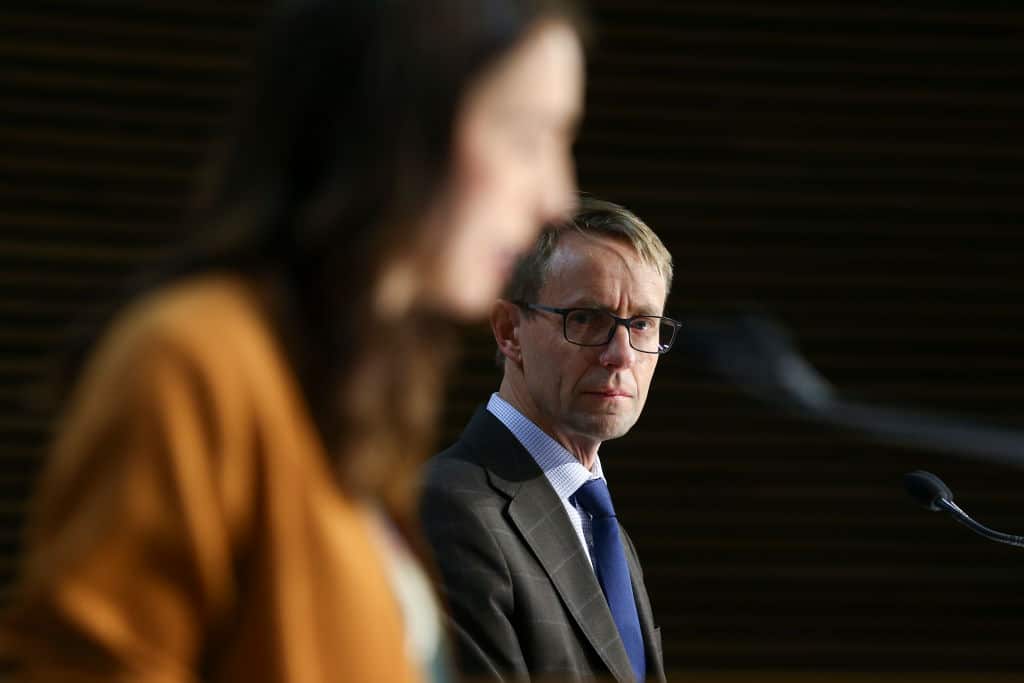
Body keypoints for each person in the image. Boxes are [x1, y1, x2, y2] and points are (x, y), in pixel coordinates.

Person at [0, 1, 586, 681]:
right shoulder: (194, 360)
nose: (556, 198)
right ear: (395, 122)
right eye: (525, 135)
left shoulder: (351, 393)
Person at [421, 197, 676, 682]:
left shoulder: (601, 526)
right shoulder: (450, 506)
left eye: (641, 323)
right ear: (509, 330)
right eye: (587, 319)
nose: (621, 355)